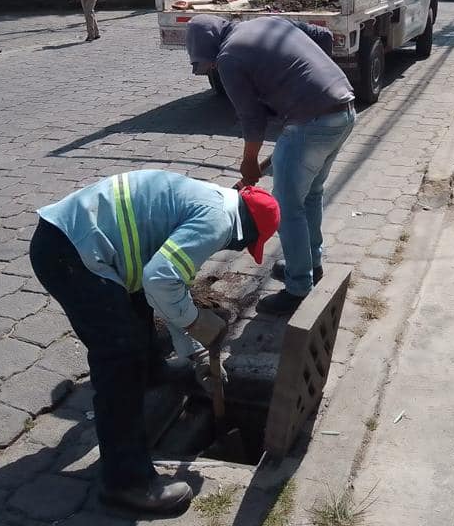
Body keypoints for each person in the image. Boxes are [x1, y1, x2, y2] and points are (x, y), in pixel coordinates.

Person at [30, 170, 280, 515]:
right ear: (246, 231)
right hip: (73, 255)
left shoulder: (209, 199)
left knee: (137, 316)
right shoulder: (218, 221)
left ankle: (151, 374)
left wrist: (195, 356)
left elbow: (166, 286)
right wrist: (195, 320)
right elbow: (162, 279)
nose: (235, 248)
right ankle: (126, 483)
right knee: (120, 360)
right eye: (245, 244)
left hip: (68, 240)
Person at [185, 15, 355, 316]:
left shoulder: (228, 57)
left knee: (288, 208)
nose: (211, 68)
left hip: (311, 123)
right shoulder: (267, 21)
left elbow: (252, 119)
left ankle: (298, 287)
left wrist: (249, 161)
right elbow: (324, 37)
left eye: (206, 63)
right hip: (344, 109)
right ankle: (310, 264)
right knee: (310, 195)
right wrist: (311, 84)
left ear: (209, 47)